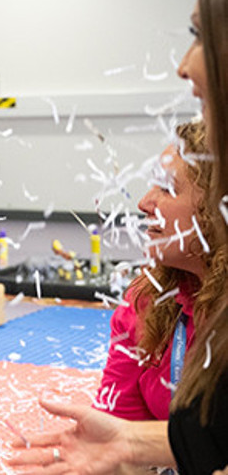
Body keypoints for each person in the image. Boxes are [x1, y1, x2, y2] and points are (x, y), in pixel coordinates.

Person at [8, 0, 228, 473]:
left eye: (200, 35)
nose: (184, 66)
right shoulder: (147, 298)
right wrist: (130, 446)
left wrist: (135, 445)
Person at [94, 121, 225, 422]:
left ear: (217, 207)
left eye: (166, 188)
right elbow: (116, 425)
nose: (144, 203)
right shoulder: (146, 300)